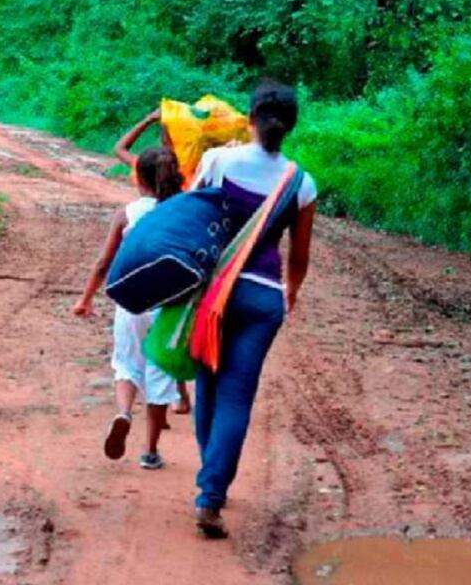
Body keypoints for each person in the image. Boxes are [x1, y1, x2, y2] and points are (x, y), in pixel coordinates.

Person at [188, 80, 316, 538]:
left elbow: (190, 216)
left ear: (250, 117)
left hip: (215, 292)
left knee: (208, 383)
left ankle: (212, 481)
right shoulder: (301, 183)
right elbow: (298, 257)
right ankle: (211, 492)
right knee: (237, 396)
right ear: (290, 127)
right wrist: (291, 291)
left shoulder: (219, 161)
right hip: (263, 298)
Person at [72, 148, 185, 470]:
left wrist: (86, 299)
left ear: (139, 177)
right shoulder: (182, 211)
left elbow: (103, 262)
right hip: (170, 304)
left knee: (126, 363)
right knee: (160, 370)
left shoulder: (129, 213)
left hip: (132, 300)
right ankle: (150, 451)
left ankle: (123, 413)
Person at [113, 110, 192, 416]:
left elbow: (119, 148)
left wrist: (147, 118)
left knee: (134, 348)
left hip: (138, 279)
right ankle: (180, 397)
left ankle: (141, 404)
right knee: (168, 333)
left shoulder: (143, 168)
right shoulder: (184, 182)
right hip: (173, 276)